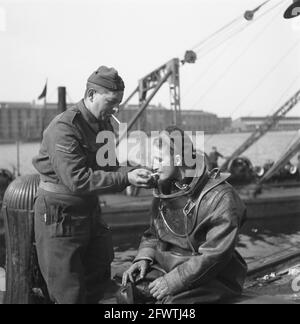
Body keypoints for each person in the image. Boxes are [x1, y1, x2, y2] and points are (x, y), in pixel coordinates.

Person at [32, 66, 152, 304]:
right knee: (69, 293)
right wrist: (126, 178)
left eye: (118, 102)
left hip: (90, 213)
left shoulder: (104, 125)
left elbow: (108, 167)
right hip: (60, 217)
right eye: (111, 102)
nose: (116, 108)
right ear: (90, 95)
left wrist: (134, 170)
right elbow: (77, 179)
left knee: (98, 282)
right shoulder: (64, 128)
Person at [119, 126, 247, 304]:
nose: (153, 166)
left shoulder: (221, 197)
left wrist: (173, 282)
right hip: (168, 266)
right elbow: (153, 234)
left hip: (214, 277)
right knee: (128, 294)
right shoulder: (164, 189)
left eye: (159, 159)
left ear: (178, 158)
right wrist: (144, 257)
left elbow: (215, 256)